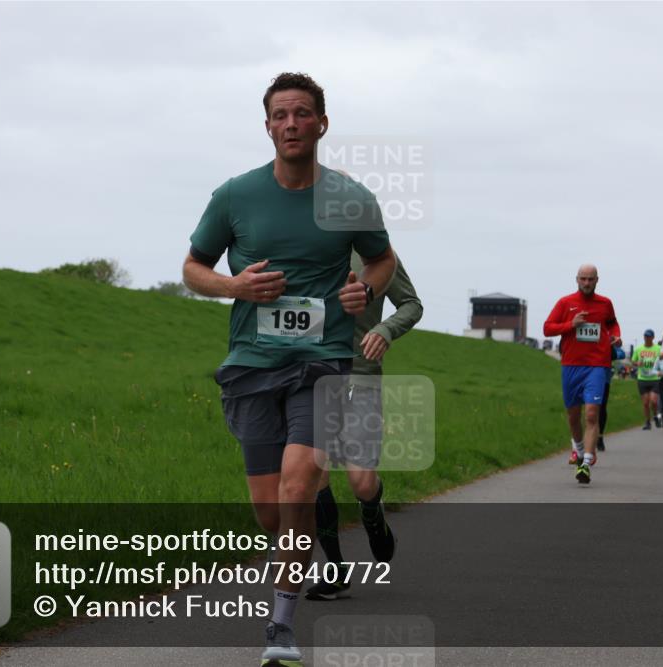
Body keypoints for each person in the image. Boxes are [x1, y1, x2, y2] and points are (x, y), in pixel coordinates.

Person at [182, 72, 396, 667]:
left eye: (303, 113)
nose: (292, 124)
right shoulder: (235, 196)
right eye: (281, 115)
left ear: (322, 124)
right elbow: (192, 268)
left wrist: (364, 292)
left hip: (321, 363)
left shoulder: (351, 197)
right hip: (251, 365)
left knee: (300, 484)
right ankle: (291, 579)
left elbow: (382, 260)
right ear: (268, 126)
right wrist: (234, 285)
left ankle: (280, 625)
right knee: (272, 512)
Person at [306, 252, 422, 601]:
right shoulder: (299, 243)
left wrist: (385, 329)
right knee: (314, 471)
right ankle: (336, 570)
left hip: (361, 376)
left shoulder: (376, 253)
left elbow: (411, 305)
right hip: (311, 374)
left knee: (361, 480)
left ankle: (373, 515)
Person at [543, 264, 621, 484]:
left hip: (597, 365)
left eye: (591, 279)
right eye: (583, 279)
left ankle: (586, 463)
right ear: (576, 280)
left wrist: (616, 336)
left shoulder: (605, 304)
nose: (587, 283)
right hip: (571, 365)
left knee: (591, 414)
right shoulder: (565, 303)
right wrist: (571, 324)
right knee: (573, 417)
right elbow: (547, 328)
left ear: (597, 280)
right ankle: (578, 449)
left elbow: (612, 324)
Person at [631, 329, 663, 430]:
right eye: (645, 336)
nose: (647, 338)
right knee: (645, 403)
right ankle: (648, 422)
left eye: (649, 336)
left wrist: (661, 370)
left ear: (653, 338)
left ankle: (656, 416)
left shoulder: (658, 348)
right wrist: (637, 364)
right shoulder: (639, 349)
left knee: (653, 401)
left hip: (655, 379)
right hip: (642, 379)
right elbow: (633, 361)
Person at [596, 342, 626, 451]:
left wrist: (611, 349)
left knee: (601, 407)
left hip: (604, 379)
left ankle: (599, 436)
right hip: (586, 376)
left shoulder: (608, 337)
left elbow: (621, 354)